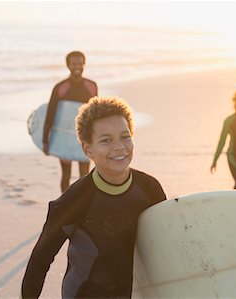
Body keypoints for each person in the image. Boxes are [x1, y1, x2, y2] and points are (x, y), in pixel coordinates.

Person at [21, 96, 167, 298]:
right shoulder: (73, 201)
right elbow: (40, 259)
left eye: (125, 136)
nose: (119, 147)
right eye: (106, 140)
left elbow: (166, 245)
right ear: (87, 149)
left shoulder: (149, 189)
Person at [43, 51, 98, 192]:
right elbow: (51, 114)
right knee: (66, 175)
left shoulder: (91, 86)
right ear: (68, 65)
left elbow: (95, 115)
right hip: (64, 138)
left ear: (84, 64)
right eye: (74, 63)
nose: (77, 66)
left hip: (85, 138)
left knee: (85, 175)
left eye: (80, 63)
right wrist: (45, 140)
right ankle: (65, 206)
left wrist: (97, 139)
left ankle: (83, 206)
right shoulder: (60, 87)